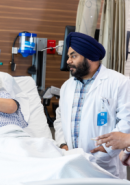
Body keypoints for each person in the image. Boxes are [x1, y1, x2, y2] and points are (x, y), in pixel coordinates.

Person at [53, 32, 130, 179]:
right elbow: (59, 119)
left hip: (105, 163)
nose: (68, 61)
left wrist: (106, 150)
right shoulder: (67, 86)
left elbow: (127, 120)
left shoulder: (119, 82)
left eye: (73, 56)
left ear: (89, 57)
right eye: (69, 56)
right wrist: (63, 144)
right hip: (71, 161)